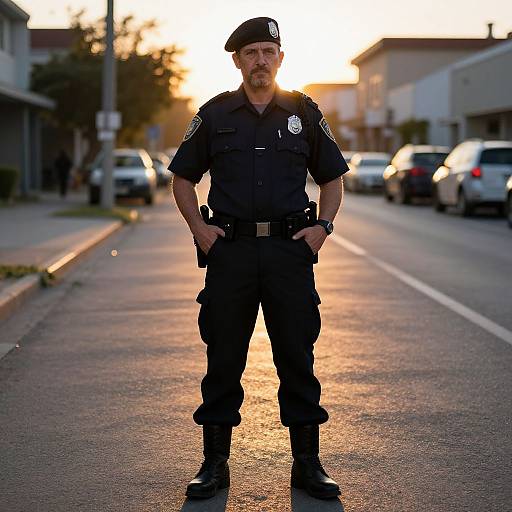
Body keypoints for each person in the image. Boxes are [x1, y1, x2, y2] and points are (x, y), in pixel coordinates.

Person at [170, 17, 349, 500]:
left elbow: (332, 177)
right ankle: (214, 464)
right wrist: (199, 230)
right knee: (223, 355)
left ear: (281, 59)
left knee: (297, 353)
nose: (261, 61)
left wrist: (323, 228)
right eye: (251, 53)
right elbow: (182, 178)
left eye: (269, 51)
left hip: (290, 253)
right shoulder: (214, 114)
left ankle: (307, 464)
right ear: (237, 61)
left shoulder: (304, 113)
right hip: (230, 252)